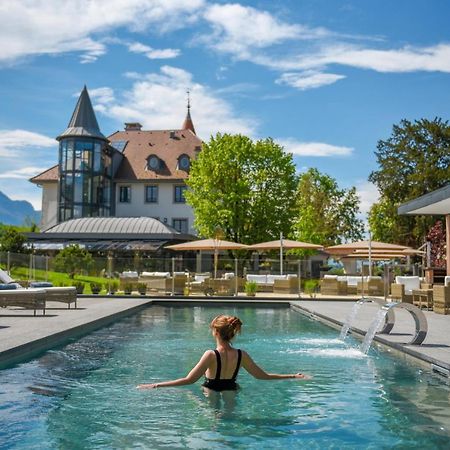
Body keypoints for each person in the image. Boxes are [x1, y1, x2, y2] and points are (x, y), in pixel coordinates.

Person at [137, 314, 310, 391]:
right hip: (231, 390)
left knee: (216, 423)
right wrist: (293, 376)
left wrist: (156, 385)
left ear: (216, 333)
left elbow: (188, 380)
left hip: (210, 391)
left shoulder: (210, 354)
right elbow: (262, 376)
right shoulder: (242, 354)